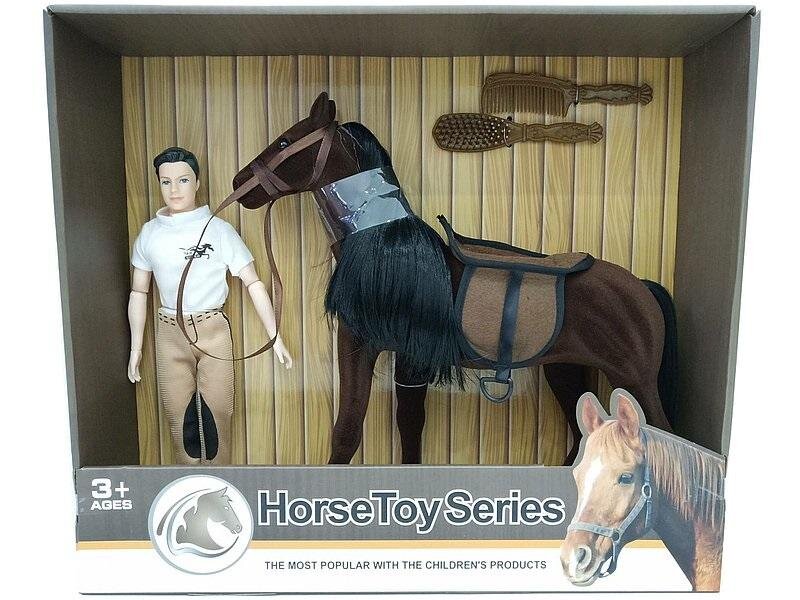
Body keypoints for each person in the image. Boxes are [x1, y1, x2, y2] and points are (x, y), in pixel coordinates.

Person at [127, 147, 292, 465]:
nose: (174, 190)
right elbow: (139, 292)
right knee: (179, 421)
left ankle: (220, 482)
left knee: (217, 418)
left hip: (213, 331)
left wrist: (275, 337)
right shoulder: (149, 234)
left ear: (197, 182)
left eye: (183, 180)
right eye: (166, 182)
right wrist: (136, 349)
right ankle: (187, 486)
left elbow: (253, 282)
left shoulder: (219, 230)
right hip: (169, 333)